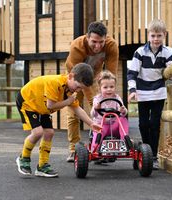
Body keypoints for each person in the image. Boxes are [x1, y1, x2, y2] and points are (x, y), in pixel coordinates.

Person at [15, 63, 102, 177]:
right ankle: (23, 158)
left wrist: (91, 123)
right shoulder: (55, 83)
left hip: (42, 107)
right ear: (70, 76)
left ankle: (42, 166)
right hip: (28, 102)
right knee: (38, 132)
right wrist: (68, 102)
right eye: (78, 86)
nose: (79, 90)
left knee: (49, 133)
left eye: (82, 88)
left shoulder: (70, 91)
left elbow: (77, 109)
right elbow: (51, 105)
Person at [65, 21, 119, 162]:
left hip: (95, 76)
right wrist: (94, 101)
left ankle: (102, 145)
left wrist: (108, 95)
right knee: (73, 112)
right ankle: (73, 149)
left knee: (103, 110)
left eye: (101, 42)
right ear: (87, 37)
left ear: (105, 38)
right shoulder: (77, 46)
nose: (97, 46)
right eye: (94, 41)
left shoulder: (111, 45)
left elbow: (111, 74)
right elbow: (81, 80)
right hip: (75, 78)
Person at [127, 19, 172, 170]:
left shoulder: (167, 53)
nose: (156, 39)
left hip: (159, 93)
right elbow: (132, 73)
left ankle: (153, 155)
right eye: (153, 36)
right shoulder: (139, 52)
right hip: (143, 93)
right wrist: (132, 90)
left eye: (159, 36)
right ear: (148, 35)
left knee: (154, 124)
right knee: (143, 124)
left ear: (164, 35)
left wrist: (171, 71)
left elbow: (171, 71)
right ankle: (144, 151)